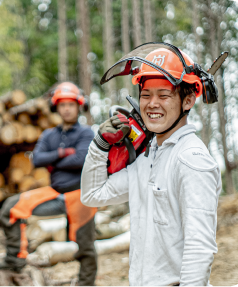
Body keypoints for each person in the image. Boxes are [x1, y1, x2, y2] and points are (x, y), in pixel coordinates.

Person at [81, 43, 222, 287]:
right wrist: (99, 146)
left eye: (164, 95)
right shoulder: (149, 159)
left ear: (188, 101)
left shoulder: (191, 159)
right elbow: (93, 195)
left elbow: (199, 248)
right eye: (146, 94)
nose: (151, 103)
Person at [0, 82, 97, 287]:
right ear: (55, 107)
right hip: (54, 191)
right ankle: (16, 261)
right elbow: (37, 159)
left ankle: (86, 284)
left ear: (79, 106)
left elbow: (81, 159)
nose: (66, 109)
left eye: (71, 104)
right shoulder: (49, 134)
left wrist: (55, 161)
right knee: (9, 209)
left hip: (80, 194)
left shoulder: (86, 133)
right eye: (62, 105)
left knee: (85, 247)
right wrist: (62, 153)